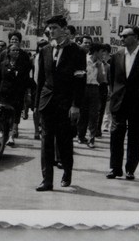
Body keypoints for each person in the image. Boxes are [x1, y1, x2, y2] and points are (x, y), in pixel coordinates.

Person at [35, 15, 86, 191]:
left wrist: (76, 105)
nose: (51, 31)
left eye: (55, 28)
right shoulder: (45, 50)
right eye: (49, 28)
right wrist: (37, 105)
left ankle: (67, 172)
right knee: (46, 141)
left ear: (65, 29)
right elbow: (41, 80)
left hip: (66, 104)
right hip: (47, 102)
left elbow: (80, 81)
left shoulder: (77, 52)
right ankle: (47, 180)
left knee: (64, 142)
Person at [106, 25, 139, 181]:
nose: (121, 38)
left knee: (134, 138)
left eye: (125, 36)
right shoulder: (116, 56)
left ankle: (130, 169)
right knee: (116, 136)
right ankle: (115, 168)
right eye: (121, 35)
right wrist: (113, 96)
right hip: (119, 103)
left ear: (135, 37)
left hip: (138, 103)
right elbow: (112, 79)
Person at [0, 43, 31, 146]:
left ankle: (11, 136)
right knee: (4, 115)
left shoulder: (23, 65)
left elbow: (26, 81)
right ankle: (3, 135)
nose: (16, 52)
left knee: (15, 115)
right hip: (4, 93)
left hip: (17, 94)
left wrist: (27, 94)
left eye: (18, 50)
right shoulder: (3, 64)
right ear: (9, 52)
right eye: (14, 50)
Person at [76, 43, 108, 148]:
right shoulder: (84, 60)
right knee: (83, 113)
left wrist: (98, 67)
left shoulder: (101, 64)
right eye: (101, 52)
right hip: (83, 88)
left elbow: (101, 80)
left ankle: (92, 138)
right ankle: (80, 136)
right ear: (95, 52)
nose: (103, 54)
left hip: (95, 89)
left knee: (94, 114)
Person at [29, 37, 49, 140]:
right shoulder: (33, 58)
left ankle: (43, 128)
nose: (42, 48)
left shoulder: (49, 57)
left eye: (44, 46)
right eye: (40, 46)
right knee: (35, 109)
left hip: (46, 87)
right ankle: (36, 130)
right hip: (35, 86)